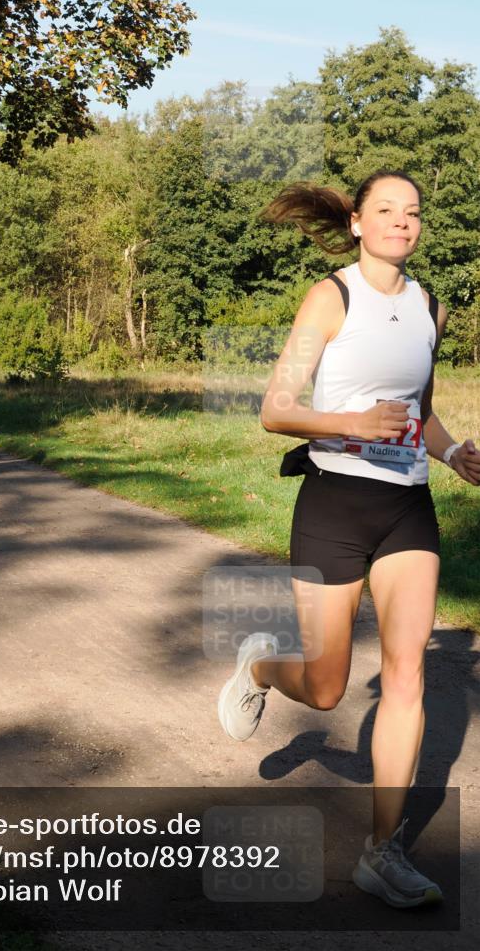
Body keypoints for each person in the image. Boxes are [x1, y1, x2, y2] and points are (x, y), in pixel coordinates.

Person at [217, 170, 480, 909]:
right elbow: (276, 410)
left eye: (413, 213)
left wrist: (452, 452)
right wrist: (349, 425)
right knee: (329, 687)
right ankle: (262, 670)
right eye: (386, 211)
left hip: (408, 510)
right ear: (359, 223)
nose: (402, 222)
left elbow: (420, 412)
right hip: (334, 501)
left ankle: (381, 852)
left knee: (407, 678)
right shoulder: (330, 297)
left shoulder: (428, 304)